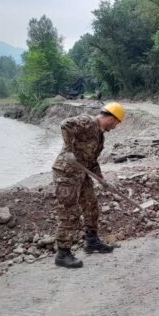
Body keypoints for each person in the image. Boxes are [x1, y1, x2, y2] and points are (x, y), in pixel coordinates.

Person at [51, 102, 126, 268]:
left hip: (82, 173)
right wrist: (69, 150)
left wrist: (102, 180)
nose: (115, 126)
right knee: (69, 212)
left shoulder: (100, 136)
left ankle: (91, 241)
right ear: (110, 117)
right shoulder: (87, 121)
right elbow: (65, 125)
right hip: (67, 172)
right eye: (116, 122)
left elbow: (92, 162)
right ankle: (63, 253)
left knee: (91, 206)